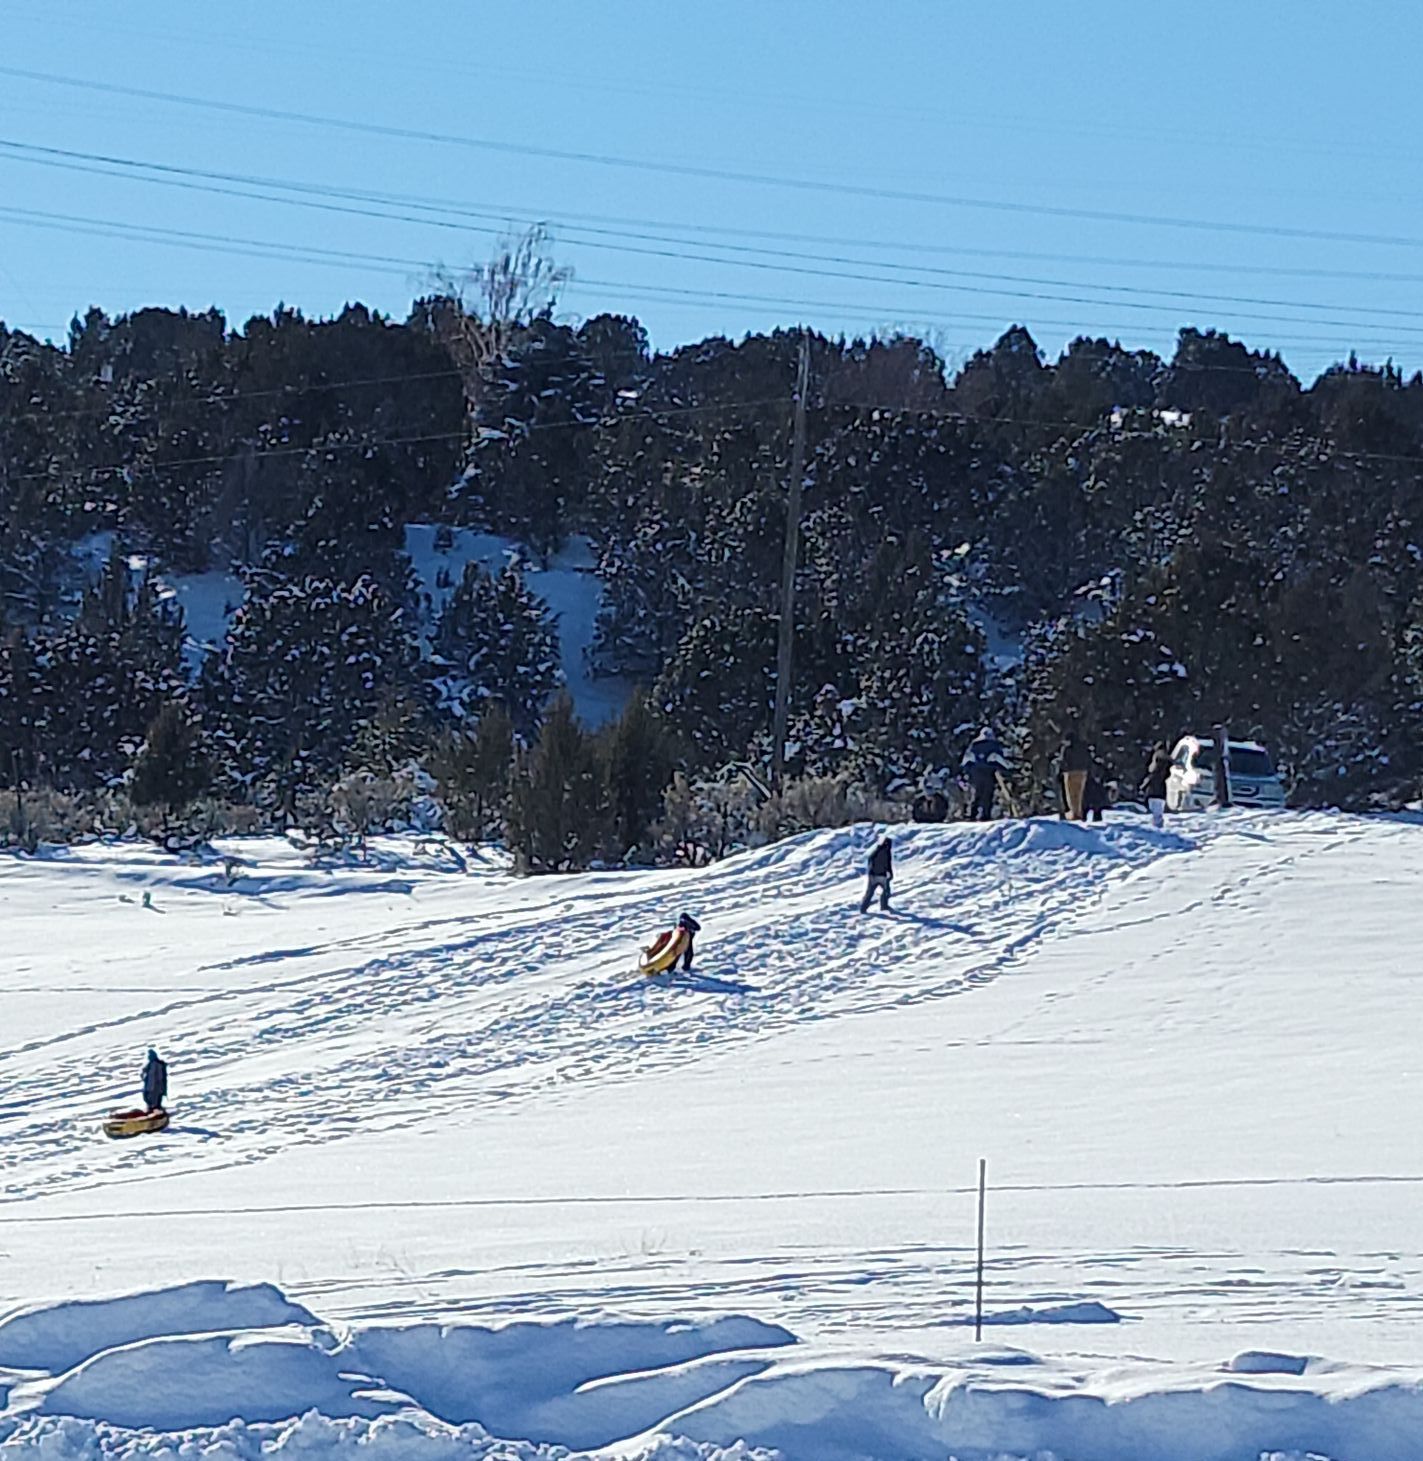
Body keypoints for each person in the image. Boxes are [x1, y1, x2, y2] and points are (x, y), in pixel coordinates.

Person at [961, 728, 1009, 822]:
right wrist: (1005, 770)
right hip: (988, 773)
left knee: (976, 793)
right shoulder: (994, 745)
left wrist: (968, 771)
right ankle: (985, 816)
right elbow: (999, 759)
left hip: (976, 773)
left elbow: (966, 760)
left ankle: (972, 814)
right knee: (987, 795)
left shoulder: (974, 745)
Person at [1059, 731, 1092, 821]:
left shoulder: (1067, 749)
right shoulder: (1082, 747)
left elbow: (1064, 761)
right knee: (1080, 794)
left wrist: (1061, 771)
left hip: (1070, 773)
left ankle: (1074, 813)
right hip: (1082, 773)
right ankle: (1079, 812)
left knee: (1071, 795)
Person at [1141, 744, 1172, 830]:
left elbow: (1152, 776)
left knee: (1155, 813)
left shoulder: (1158, 765)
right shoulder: (1166, 765)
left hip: (1154, 792)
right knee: (1157, 812)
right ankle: (1157, 827)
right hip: (1158, 793)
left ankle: (1156, 828)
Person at [860, 836, 893, 913]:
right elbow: (888, 864)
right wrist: (890, 873)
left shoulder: (877, 850)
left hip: (872, 875)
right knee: (886, 891)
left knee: (870, 893)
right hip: (881, 875)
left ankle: (863, 908)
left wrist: (871, 869)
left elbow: (870, 859)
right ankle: (884, 906)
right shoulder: (886, 852)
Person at [142, 1048, 168, 1113]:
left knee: (154, 1101)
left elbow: (157, 1077)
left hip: (155, 1087)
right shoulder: (150, 1065)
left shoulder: (156, 1065)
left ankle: (155, 1112)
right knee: (150, 1099)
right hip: (151, 1086)